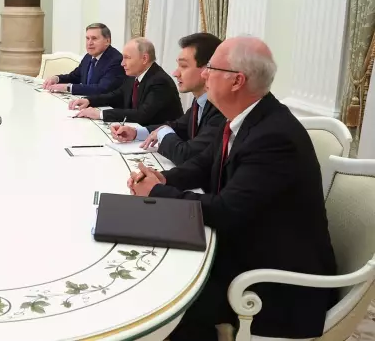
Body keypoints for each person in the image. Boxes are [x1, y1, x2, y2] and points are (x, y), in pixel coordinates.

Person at [128, 37, 336, 340]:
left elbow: (226, 210)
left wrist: (157, 194)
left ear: (237, 81)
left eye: (211, 68)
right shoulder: (244, 118)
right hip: (246, 247)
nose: (204, 74)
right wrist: (163, 179)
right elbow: (203, 165)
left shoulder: (274, 136)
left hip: (276, 282)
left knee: (164, 300)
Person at [111, 33, 224, 165]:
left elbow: (186, 155)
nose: (175, 73)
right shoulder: (200, 101)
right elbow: (179, 126)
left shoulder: (221, 108)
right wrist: (136, 133)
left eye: (184, 66)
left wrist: (163, 132)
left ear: (207, 70)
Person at [69, 38, 182, 125]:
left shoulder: (159, 81)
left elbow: (142, 115)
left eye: (127, 58)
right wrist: (89, 100)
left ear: (144, 59)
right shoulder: (134, 74)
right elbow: (117, 95)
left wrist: (100, 114)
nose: (122, 63)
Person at [41, 23, 126, 96]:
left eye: (94, 38)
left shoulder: (116, 60)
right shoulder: (88, 57)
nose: (89, 43)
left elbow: (102, 88)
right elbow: (75, 76)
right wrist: (57, 78)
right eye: (87, 38)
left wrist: (68, 87)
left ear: (107, 41)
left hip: (106, 106)